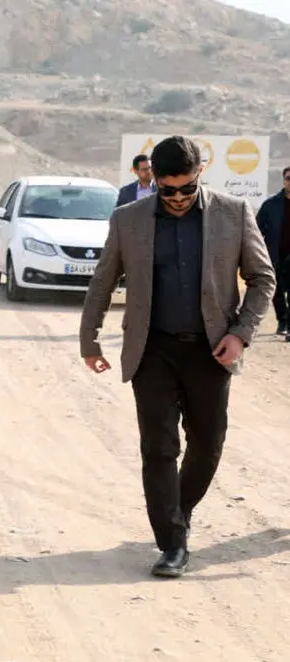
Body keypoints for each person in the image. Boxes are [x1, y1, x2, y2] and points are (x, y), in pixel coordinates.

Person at [80, 135, 275, 578]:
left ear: (200, 173)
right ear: (153, 180)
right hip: (152, 350)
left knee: (208, 444)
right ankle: (172, 543)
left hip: (211, 350)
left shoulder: (233, 212)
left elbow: (263, 278)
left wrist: (240, 334)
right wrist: (89, 340)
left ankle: (177, 511)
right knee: (159, 447)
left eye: (187, 188)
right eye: (168, 191)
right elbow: (103, 281)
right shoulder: (128, 219)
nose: (179, 198)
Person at [255, 166, 290, 337]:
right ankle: (282, 321)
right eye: (289, 178)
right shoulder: (270, 205)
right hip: (275, 255)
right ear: (284, 181)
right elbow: (256, 231)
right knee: (277, 291)